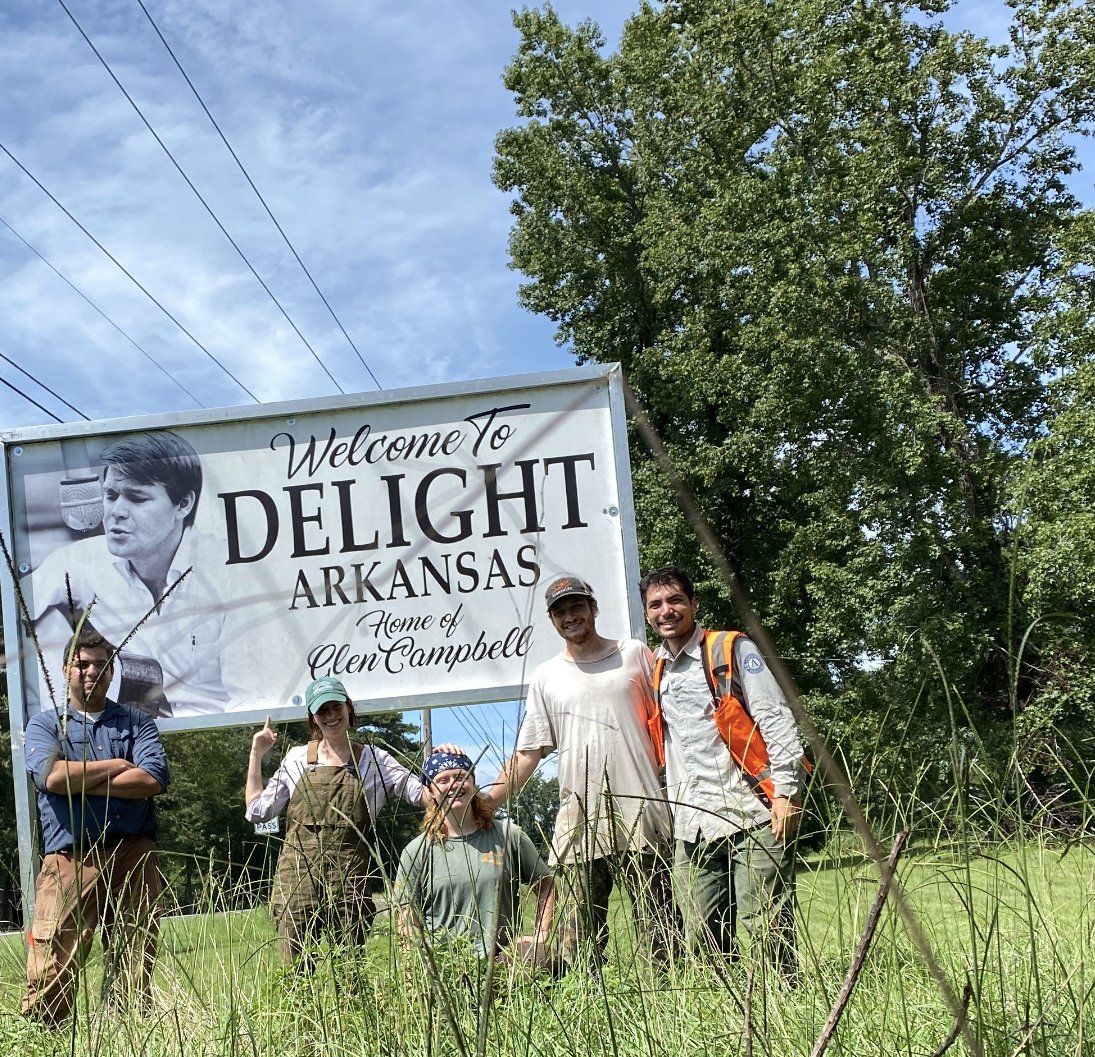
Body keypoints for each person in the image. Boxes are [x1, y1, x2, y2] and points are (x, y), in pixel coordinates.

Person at [484, 575, 677, 966]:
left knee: (662, 936)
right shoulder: (546, 676)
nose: (570, 616)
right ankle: (589, 1013)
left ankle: (671, 1005)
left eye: (577, 606)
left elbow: (674, 721)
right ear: (552, 620)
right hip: (580, 824)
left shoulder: (635, 654)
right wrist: (487, 801)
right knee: (580, 946)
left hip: (645, 817)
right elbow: (528, 753)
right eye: (560, 611)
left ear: (593, 608)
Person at [639, 565, 808, 977]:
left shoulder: (729, 648)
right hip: (693, 824)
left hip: (753, 813)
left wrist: (786, 793)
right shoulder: (656, 669)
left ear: (694, 605)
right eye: (656, 604)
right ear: (647, 614)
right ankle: (730, 1015)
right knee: (703, 933)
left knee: (765, 926)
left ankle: (784, 1010)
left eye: (676, 600)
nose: (667, 611)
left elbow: (775, 716)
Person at [21, 625, 171, 1025]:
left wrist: (81, 778)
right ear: (65, 669)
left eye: (101, 666)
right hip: (70, 858)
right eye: (82, 664)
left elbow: (152, 780)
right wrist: (118, 766)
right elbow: (50, 778)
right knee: (54, 959)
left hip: (132, 853)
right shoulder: (45, 725)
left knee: (135, 950)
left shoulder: (136, 722)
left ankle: (130, 1032)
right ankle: (45, 1035)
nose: (91, 672)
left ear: (112, 672)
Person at [25, 429, 233, 717]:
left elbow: (253, 698)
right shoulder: (82, 560)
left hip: (215, 736)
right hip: (125, 730)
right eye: (110, 495)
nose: (115, 512)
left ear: (183, 504)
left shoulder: (229, 571)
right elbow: (16, 607)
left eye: (137, 498)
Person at [245, 676, 433, 967]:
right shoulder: (296, 758)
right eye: (323, 711)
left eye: (336, 707)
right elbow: (258, 810)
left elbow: (419, 793)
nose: (331, 716)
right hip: (297, 877)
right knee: (293, 969)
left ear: (349, 708)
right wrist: (257, 753)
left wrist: (447, 766)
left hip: (349, 875)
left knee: (349, 969)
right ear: (313, 718)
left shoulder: (374, 759)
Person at [395, 750, 554, 973]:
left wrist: (541, 934)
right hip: (446, 968)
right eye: (442, 780)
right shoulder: (416, 852)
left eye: (461, 777)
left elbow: (545, 881)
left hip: (504, 963)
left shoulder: (509, 836)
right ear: (430, 792)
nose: (454, 785)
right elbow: (406, 916)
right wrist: (414, 970)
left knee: (541, 958)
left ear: (473, 782)